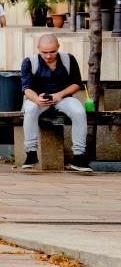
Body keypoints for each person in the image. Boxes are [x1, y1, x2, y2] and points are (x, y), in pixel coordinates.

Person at [19, 34, 92, 173]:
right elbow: (26, 89)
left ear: (58, 47)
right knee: (30, 110)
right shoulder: (29, 61)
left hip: (62, 97)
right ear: (38, 48)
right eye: (44, 52)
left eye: (52, 52)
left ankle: (79, 156)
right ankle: (31, 153)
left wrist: (59, 95)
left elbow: (77, 84)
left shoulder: (68, 59)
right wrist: (37, 99)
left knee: (79, 111)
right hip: (38, 99)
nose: (48, 56)